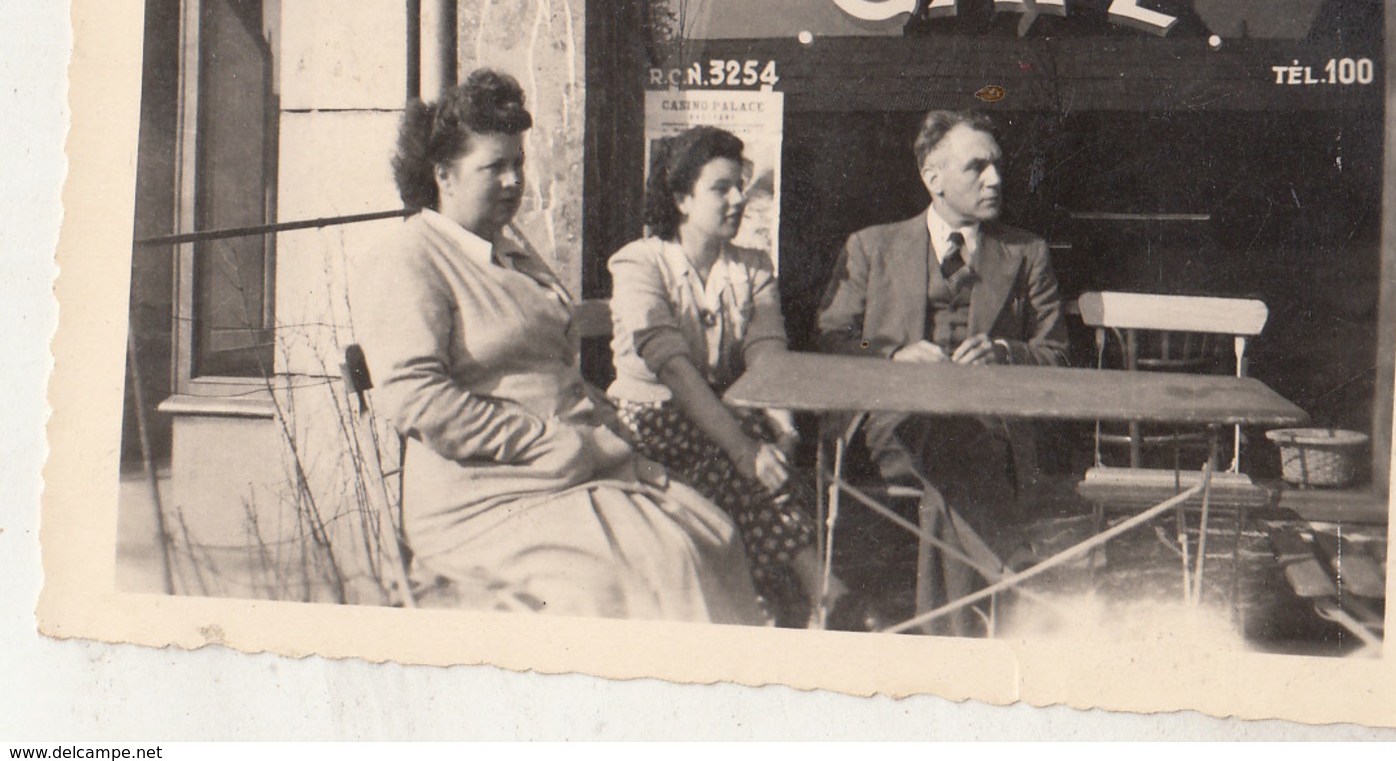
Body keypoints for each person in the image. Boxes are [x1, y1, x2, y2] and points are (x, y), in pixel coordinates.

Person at [351, 69, 765, 624]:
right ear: (444, 174)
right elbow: (415, 400)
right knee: (667, 561)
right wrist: (553, 441)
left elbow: (547, 368)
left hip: (568, 471)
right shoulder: (410, 258)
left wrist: (604, 421)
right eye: (493, 166)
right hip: (484, 496)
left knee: (715, 533)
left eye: (518, 163)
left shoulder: (510, 253)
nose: (512, 181)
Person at [815, 110, 1069, 617]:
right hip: (890, 422)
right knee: (945, 436)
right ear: (933, 177)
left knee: (947, 476)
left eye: (997, 165)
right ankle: (1011, 563)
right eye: (977, 167)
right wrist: (890, 354)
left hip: (989, 425)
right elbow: (834, 339)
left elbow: (1055, 353)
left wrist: (1005, 353)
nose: (995, 179)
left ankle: (948, 631)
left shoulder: (1026, 253)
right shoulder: (872, 246)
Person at [606, 127, 856, 626]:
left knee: (760, 449)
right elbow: (672, 367)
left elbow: (767, 353)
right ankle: (815, 586)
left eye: (740, 185)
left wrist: (784, 430)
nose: (739, 199)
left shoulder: (752, 265)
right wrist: (746, 450)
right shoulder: (640, 262)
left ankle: (768, 601)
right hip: (650, 422)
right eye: (721, 188)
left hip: (720, 420)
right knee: (733, 459)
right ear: (681, 198)